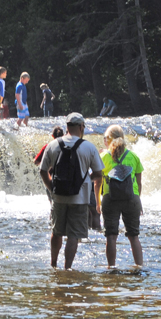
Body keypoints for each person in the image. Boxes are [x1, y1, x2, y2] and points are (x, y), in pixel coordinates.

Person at [40, 113, 104, 269]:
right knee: (73, 235)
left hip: (58, 197)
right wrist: (87, 177)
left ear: (66, 126)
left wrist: (51, 187)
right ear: (81, 127)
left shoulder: (53, 145)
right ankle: (67, 267)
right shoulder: (89, 147)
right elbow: (98, 174)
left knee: (56, 232)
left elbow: (42, 170)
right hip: (80, 198)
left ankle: (53, 264)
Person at [95, 125, 144, 267]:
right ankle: (139, 267)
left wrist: (98, 202)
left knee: (111, 236)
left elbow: (97, 182)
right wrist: (137, 201)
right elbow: (139, 183)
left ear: (109, 140)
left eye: (105, 138)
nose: (104, 140)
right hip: (131, 198)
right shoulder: (133, 156)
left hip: (110, 198)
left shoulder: (103, 156)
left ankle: (111, 267)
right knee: (134, 236)